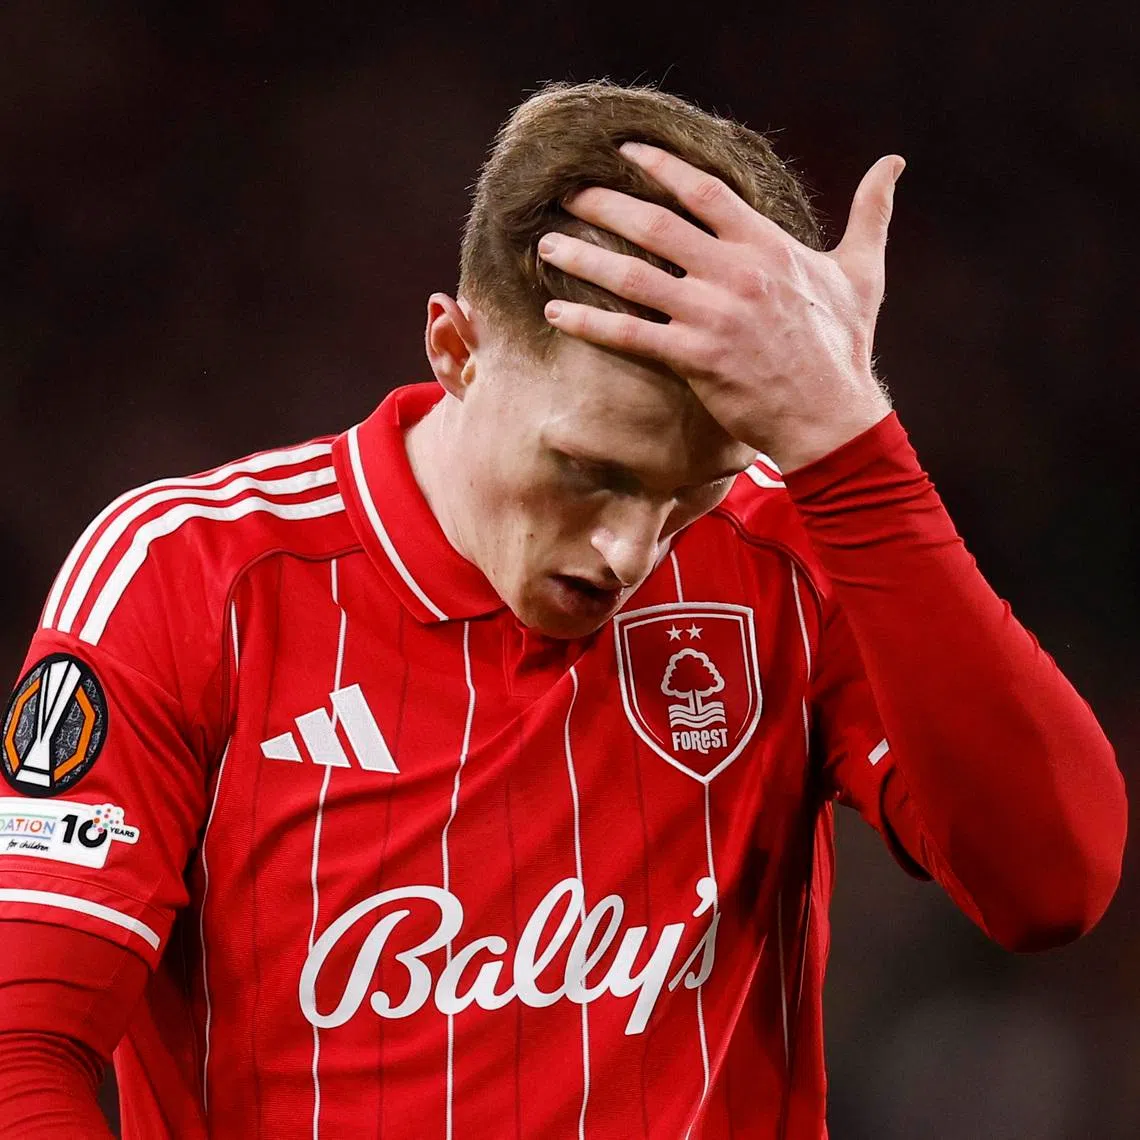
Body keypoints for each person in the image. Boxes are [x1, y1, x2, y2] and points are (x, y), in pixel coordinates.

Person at [0, 79, 1126, 1140]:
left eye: (697, 487)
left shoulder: (796, 552)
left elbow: (1052, 884)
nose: (630, 551)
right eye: (593, 470)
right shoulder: (193, 575)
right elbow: (24, 1048)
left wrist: (851, 444)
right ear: (456, 347)